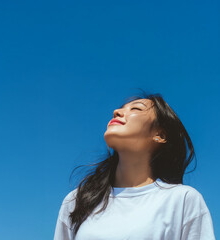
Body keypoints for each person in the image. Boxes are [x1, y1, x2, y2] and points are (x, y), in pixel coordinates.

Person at [53, 92, 215, 240]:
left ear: (160, 135)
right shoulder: (78, 200)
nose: (117, 111)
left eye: (136, 108)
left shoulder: (182, 200)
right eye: (120, 108)